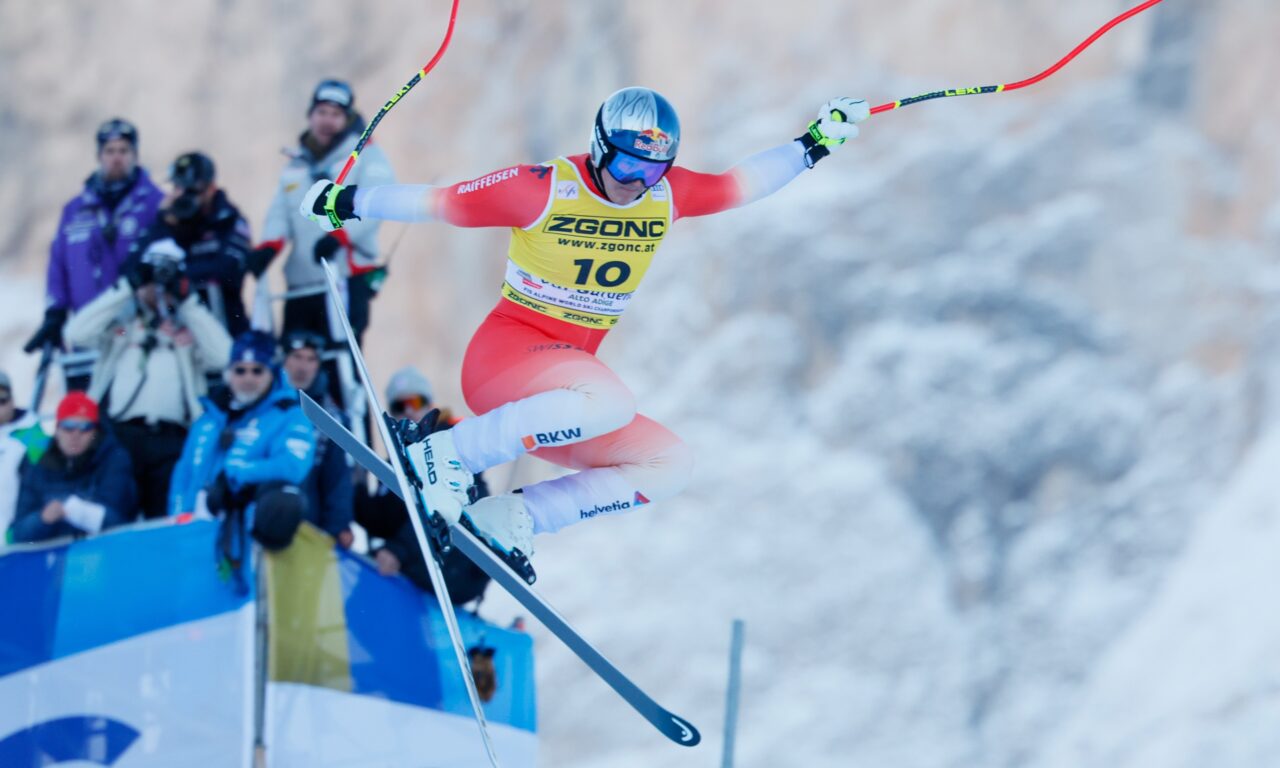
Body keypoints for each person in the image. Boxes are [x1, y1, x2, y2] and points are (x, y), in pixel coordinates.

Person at [301, 87, 869, 558]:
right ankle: (446, 453)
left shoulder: (663, 195)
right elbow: (441, 202)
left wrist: (815, 144)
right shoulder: (543, 188)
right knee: (609, 399)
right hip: (506, 359)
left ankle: (513, 516)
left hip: (563, 393)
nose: (635, 181)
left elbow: (739, 186)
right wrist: (346, 202)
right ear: (600, 147)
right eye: (626, 163)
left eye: (653, 169)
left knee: (668, 463)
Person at [63, 238, 232, 520]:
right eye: (151, 276)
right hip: (122, 435)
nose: (158, 287)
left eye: (165, 277)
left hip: (171, 438)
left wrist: (187, 300)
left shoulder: (188, 333)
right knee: (115, 513)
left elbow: (226, 356)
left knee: (163, 517)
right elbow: (76, 334)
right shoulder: (121, 329)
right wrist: (126, 287)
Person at [251, 79, 395, 346]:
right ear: (310, 115)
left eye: (336, 114)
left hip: (346, 278)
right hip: (302, 283)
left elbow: (377, 202)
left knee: (341, 361)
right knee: (295, 358)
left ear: (348, 118)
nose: (327, 121)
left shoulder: (366, 155)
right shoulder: (297, 163)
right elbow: (281, 212)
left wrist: (339, 236)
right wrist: (269, 247)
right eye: (322, 112)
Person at [23, 119, 165, 360]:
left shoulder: (156, 203)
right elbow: (58, 265)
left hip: (135, 332)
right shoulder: (75, 209)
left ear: (135, 155)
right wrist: (55, 312)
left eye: (124, 151)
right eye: (110, 151)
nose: (117, 158)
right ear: (99, 156)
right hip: (88, 329)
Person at [168, 331, 315, 552]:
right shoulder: (208, 420)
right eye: (240, 370)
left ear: (272, 373)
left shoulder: (289, 415)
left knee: (284, 501)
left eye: (257, 370)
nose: (248, 378)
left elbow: (292, 466)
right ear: (229, 374)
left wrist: (236, 473)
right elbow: (183, 473)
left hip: (246, 537)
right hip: (193, 534)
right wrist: (178, 516)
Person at [354, 367, 491, 604]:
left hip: (456, 565)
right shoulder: (399, 461)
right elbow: (385, 520)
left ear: (429, 405)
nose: (409, 411)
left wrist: (399, 550)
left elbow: (446, 508)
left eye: (415, 401)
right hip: (418, 564)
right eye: (399, 406)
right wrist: (353, 491)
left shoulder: (451, 445)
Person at [130, 152, 253, 336]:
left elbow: (229, 272)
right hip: (179, 331)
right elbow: (133, 267)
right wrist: (163, 224)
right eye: (178, 187)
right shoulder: (169, 223)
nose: (184, 196)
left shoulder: (230, 220)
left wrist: (175, 277)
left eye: (191, 190)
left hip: (225, 326)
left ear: (210, 188)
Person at [9, 392, 136, 544]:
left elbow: (120, 520)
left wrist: (76, 511)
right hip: (54, 557)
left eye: (85, 428)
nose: (75, 435)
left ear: (95, 433)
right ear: (57, 431)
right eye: (68, 427)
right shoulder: (39, 466)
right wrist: (43, 519)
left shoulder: (114, 460)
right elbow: (20, 533)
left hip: (103, 551)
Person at [280, 329, 353, 546]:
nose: (303, 367)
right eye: (297, 357)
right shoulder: (263, 401)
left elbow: (337, 476)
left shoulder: (330, 416)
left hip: (306, 524)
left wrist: (336, 527)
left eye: (311, 359)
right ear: (284, 359)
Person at [0, 371, 51, 541]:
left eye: (2, 400)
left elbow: (42, 485)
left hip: (15, 539)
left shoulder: (33, 436)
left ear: (12, 400)